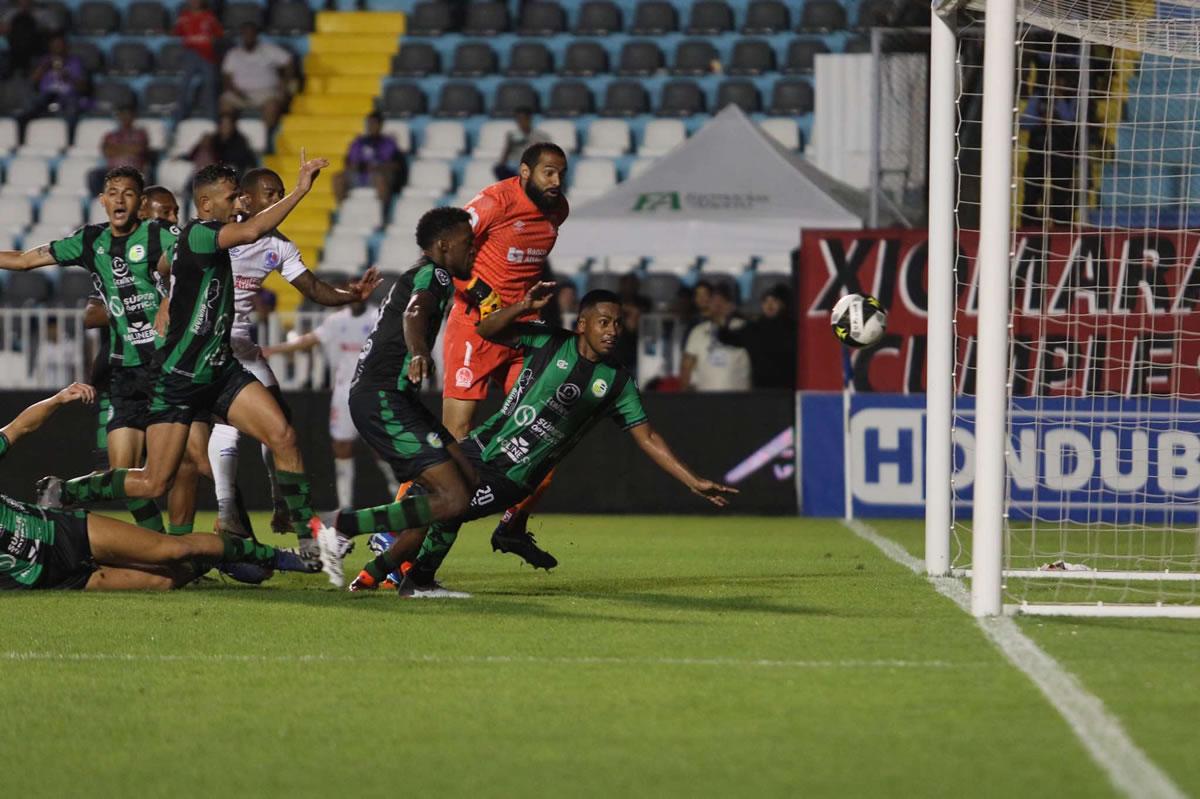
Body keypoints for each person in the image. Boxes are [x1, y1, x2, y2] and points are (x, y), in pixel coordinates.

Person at [35, 156, 338, 567]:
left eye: (240, 195)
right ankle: (66, 492)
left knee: (282, 436)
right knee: (153, 481)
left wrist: (166, 292)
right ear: (208, 204)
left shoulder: (191, 237)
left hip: (221, 369)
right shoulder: (200, 234)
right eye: (233, 197)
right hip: (180, 377)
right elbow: (252, 229)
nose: (240, 202)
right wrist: (301, 189)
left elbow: (167, 263)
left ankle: (307, 540)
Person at [351, 286, 737, 597]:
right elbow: (486, 331)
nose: (612, 331)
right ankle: (386, 573)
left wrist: (693, 481)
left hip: (513, 474)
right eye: (604, 322)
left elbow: (647, 436)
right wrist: (521, 306)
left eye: (618, 324)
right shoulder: (549, 341)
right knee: (430, 501)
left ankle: (395, 571)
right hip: (479, 446)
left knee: (448, 508)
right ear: (582, 324)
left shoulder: (617, 382)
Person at [205, 166, 381, 538]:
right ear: (246, 199)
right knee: (225, 426)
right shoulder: (219, 234)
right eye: (271, 193)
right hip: (205, 344)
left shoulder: (279, 245)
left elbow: (315, 289)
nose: (278, 199)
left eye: (281, 192)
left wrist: (350, 295)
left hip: (241, 345)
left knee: (281, 424)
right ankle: (226, 511)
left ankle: (281, 500)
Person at [0, 167, 177, 533]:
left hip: (171, 367)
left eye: (128, 193)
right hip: (126, 373)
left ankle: (206, 536)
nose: (119, 200)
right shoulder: (89, 241)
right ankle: (169, 548)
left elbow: (196, 264)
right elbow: (25, 260)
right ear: (102, 200)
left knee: (189, 465)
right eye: (113, 193)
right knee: (126, 478)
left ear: (140, 202)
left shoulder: (159, 234)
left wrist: (168, 298)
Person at [0, 384, 309, 591]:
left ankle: (281, 558)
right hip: (45, 577)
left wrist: (57, 399)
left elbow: (20, 427)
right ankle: (216, 556)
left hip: (55, 532)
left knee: (170, 550)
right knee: (163, 582)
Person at [314, 207, 481, 588]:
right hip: (382, 398)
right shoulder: (434, 274)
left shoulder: (428, 275)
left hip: (398, 398)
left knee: (467, 480)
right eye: (467, 243)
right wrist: (420, 352)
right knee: (453, 498)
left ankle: (377, 575)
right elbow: (414, 312)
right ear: (443, 245)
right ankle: (340, 525)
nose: (473, 249)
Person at [439, 142, 570, 568]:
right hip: (475, 329)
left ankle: (512, 526)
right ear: (525, 172)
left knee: (543, 436)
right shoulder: (495, 202)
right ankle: (399, 536)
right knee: (454, 439)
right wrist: (480, 292)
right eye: (548, 172)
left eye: (561, 173)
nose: (556, 181)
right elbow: (446, 247)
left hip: (521, 333)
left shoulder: (558, 211)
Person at [261, 300, 397, 512]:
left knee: (379, 446)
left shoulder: (375, 317)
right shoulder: (337, 320)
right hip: (343, 392)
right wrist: (273, 350)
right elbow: (310, 340)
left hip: (371, 390)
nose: (355, 295)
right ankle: (345, 505)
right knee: (341, 446)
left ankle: (398, 493)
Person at [716, 284, 796, 389]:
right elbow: (726, 338)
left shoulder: (792, 328)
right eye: (765, 301)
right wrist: (726, 318)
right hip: (761, 390)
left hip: (787, 390)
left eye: (774, 301)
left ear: (782, 304)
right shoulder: (753, 329)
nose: (769, 305)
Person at [220, 22, 294, 131]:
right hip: (240, 92)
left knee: (272, 106)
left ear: (256, 35)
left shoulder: (269, 49)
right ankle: (230, 136)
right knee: (225, 102)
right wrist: (234, 90)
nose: (248, 37)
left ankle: (265, 136)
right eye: (245, 34)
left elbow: (289, 61)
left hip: (265, 93)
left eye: (251, 34)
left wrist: (285, 80)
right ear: (241, 36)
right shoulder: (233, 54)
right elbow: (226, 77)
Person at [680, 282, 751, 392]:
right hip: (705, 397)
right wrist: (685, 394)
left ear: (731, 306)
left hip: (738, 397)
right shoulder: (698, 331)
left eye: (723, 301)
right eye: (714, 301)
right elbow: (686, 366)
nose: (718, 305)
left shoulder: (744, 328)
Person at [20, 31, 88, 136]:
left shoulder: (75, 61)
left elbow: (83, 88)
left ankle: (69, 139)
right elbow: (32, 81)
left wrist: (68, 77)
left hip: (67, 97)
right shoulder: (44, 60)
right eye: (54, 45)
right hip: (46, 96)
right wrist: (44, 67)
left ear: (66, 47)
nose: (57, 48)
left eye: (59, 45)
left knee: (72, 109)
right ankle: (23, 136)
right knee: (29, 107)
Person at [332, 112, 406, 204]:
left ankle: (382, 210)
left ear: (380, 125)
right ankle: (343, 208)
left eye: (374, 123)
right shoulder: (358, 142)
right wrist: (356, 166)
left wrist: (377, 167)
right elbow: (347, 162)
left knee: (381, 179)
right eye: (369, 123)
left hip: (376, 176)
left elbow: (396, 165)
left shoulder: (389, 143)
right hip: (358, 175)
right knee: (337, 178)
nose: (371, 126)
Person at [172, 0, 222, 122]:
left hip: (207, 55)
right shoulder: (184, 16)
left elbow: (219, 34)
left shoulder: (209, 17)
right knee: (183, 85)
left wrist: (210, 42)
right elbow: (176, 33)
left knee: (210, 85)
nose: (195, 2)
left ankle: (212, 119)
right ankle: (179, 118)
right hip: (190, 54)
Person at [87, 105, 149, 197]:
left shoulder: (140, 133)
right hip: (112, 170)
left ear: (133, 117)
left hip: (133, 171)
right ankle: (99, 200)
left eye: (127, 115)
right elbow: (107, 151)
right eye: (122, 115)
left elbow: (138, 150)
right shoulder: (111, 135)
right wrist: (128, 148)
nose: (125, 118)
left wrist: (116, 149)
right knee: (93, 175)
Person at [189, 111, 257, 176]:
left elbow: (245, 160)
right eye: (223, 124)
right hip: (214, 172)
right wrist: (201, 144)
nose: (225, 127)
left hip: (234, 173)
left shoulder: (240, 141)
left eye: (227, 124)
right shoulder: (213, 140)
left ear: (233, 125)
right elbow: (192, 156)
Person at [493, 107, 551, 181]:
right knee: (499, 169)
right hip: (515, 167)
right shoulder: (512, 135)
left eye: (524, 119)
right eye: (519, 120)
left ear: (530, 119)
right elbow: (504, 159)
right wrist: (509, 146)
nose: (522, 122)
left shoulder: (541, 136)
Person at [1, 0, 53, 76]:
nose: (24, 1)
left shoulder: (42, 13)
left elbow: (54, 31)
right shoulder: (10, 13)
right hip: (13, 47)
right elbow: (2, 30)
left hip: (36, 47)